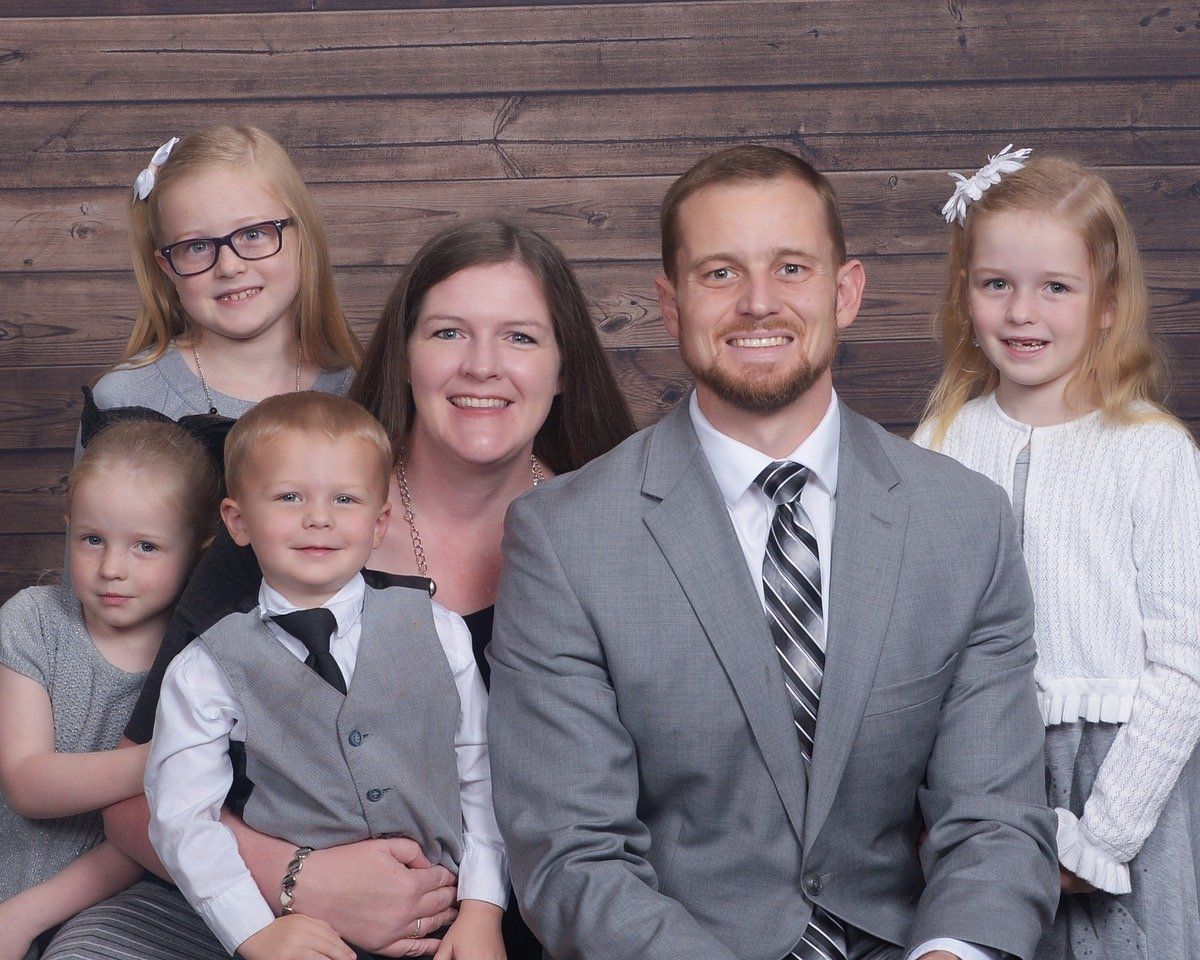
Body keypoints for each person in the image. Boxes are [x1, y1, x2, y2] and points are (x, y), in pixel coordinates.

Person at [486, 145, 1060, 960]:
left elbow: (996, 824)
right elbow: (572, 857)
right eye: (720, 273)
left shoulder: (964, 522)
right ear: (669, 304)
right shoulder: (564, 538)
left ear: (845, 291)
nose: (759, 303)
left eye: (791, 268)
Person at [45, 220, 635, 960]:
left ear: (563, 366)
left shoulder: (614, 535)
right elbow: (137, 805)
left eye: (520, 337)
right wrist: (298, 881)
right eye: (448, 332)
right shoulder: (288, 523)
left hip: (506, 922)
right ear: (405, 355)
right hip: (268, 919)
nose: (482, 366)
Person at [913, 150, 1200, 960]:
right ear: (964, 292)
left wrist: (1102, 836)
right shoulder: (940, 441)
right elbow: (915, 639)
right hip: (977, 766)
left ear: (1108, 304)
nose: (1021, 311)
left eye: (1056, 288)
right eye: (996, 283)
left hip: (1125, 777)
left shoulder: (1153, 452)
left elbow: (1185, 662)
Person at [145, 391, 508, 960]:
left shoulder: (440, 633)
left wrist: (484, 908)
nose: (319, 517)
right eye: (289, 496)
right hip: (299, 936)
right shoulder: (206, 666)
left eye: (345, 498)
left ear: (379, 522)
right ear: (238, 521)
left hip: (444, 931)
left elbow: (482, 776)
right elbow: (182, 818)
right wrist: (252, 931)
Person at [0, 421, 219, 959]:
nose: (112, 569)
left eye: (146, 546)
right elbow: (27, 784)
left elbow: (144, 839)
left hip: (104, 907)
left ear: (198, 552)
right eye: (92, 539)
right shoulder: (34, 620)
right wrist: (170, 758)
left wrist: (25, 915)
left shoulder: (203, 659)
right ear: (68, 530)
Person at [80, 125, 359, 459]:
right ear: (167, 267)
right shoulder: (123, 400)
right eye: (197, 246)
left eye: (253, 234)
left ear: (302, 237)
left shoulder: (360, 389)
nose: (229, 266)